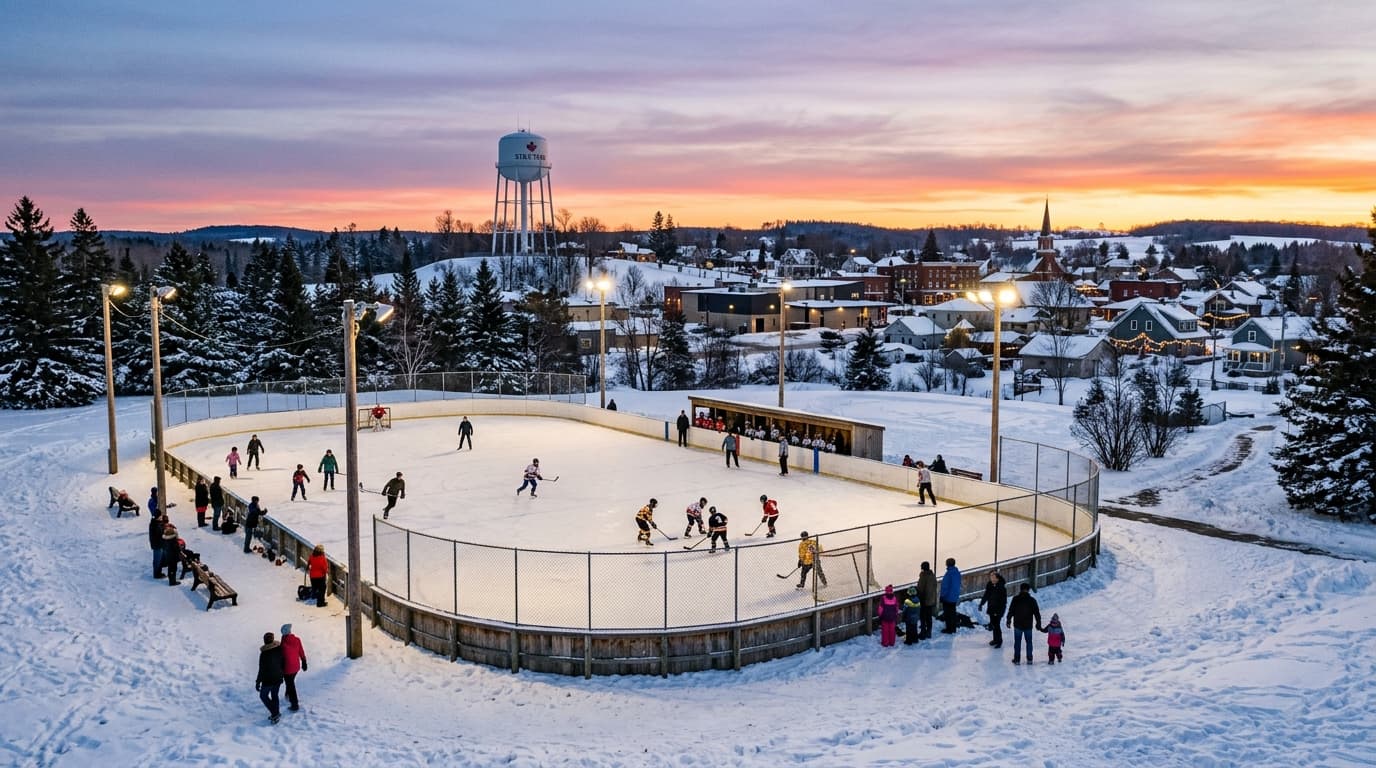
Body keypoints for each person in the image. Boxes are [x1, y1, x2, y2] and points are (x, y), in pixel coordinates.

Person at [1006, 583, 1042, 665]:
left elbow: (1011, 611)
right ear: (1029, 590)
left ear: (1020, 589)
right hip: (1028, 625)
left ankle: (1017, 659)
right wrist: (1038, 623)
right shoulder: (1032, 600)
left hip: (1017, 625)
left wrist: (1008, 620)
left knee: (1017, 642)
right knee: (1029, 642)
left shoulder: (1015, 599)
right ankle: (1029, 659)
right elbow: (1037, 613)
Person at [255, 631, 285, 724]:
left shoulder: (264, 654)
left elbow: (261, 669)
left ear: (265, 641)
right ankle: (276, 713)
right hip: (278, 677)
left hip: (268, 680)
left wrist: (258, 682)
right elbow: (283, 662)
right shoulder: (279, 649)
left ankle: (275, 714)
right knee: (274, 695)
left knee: (263, 696)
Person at [279, 624, 308, 712]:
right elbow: (301, 651)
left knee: (290, 685)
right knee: (290, 682)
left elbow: (281, 656)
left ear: (284, 633)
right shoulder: (297, 639)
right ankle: (287, 695)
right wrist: (304, 662)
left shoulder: (283, 643)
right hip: (296, 667)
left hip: (287, 668)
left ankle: (294, 704)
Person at [979, 572, 1008, 648]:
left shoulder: (1001, 588)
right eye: (991, 577)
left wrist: (998, 612)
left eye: (993, 577)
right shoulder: (990, 585)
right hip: (992, 608)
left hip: (998, 610)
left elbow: (1003, 602)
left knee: (997, 625)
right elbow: (986, 595)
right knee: (993, 624)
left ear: (997, 578)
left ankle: (999, 641)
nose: (991, 579)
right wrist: (981, 604)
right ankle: (995, 639)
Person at [916, 561, 938, 640]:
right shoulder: (932, 576)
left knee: (922, 617)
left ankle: (923, 633)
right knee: (929, 617)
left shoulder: (923, 576)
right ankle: (929, 632)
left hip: (924, 600)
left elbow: (920, 589)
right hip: (931, 600)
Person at [939, 557, 962, 634]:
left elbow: (945, 586)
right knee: (952, 613)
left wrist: (942, 596)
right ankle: (953, 628)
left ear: (947, 564)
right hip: (954, 597)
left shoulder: (948, 574)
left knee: (948, 614)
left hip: (948, 598)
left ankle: (949, 629)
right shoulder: (957, 572)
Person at [162, 522, 182, 586]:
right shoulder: (173, 541)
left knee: (170, 567)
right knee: (173, 568)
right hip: (173, 557)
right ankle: (172, 581)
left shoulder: (165, 540)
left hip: (168, 556)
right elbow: (177, 549)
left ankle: (170, 577)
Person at [149, 513, 167, 578]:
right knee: (157, 560)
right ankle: (156, 574)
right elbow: (160, 534)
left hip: (157, 544)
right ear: (158, 517)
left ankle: (158, 572)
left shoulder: (155, 523)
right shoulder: (156, 525)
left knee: (158, 560)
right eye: (160, 516)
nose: (161, 517)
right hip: (157, 545)